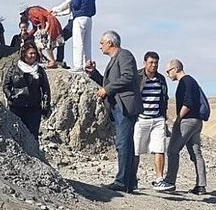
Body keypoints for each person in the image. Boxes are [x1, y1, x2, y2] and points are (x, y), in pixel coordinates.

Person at [85, 31, 142, 193]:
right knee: (126, 144)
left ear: (110, 43)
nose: (100, 45)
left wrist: (107, 89)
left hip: (124, 106)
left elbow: (128, 77)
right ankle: (129, 182)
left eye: (102, 42)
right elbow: (110, 82)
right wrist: (94, 74)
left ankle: (122, 182)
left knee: (123, 143)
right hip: (118, 106)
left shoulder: (124, 55)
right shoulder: (115, 59)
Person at [153, 60, 208, 194]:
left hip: (187, 121)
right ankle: (201, 185)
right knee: (196, 153)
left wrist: (178, 119)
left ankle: (170, 181)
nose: (167, 74)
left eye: (168, 71)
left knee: (172, 150)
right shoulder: (191, 81)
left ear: (176, 69)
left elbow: (188, 103)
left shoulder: (185, 82)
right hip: (197, 122)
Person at [132, 51, 169, 186]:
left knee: (159, 149)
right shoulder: (137, 77)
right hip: (141, 119)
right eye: (151, 63)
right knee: (136, 150)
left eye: (156, 63)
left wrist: (164, 116)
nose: (154, 65)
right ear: (145, 63)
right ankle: (132, 178)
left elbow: (164, 97)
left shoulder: (161, 79)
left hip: (158, 119)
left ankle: (159, 179)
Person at [3, 41, 51, 140]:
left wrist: (46, 105)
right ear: (24, 54)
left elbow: (45, 89)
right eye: (31, 53)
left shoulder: (39, 70)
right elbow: (6, 85)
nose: (33, 56)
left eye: (34, 53)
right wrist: (10, 96)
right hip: (16, 108)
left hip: (33, 109)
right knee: (16, 136)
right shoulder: (14, 69)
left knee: (32, 137)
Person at [67, 0, 96, 73]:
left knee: (78, 42)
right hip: (89, 18)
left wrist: (73, 8)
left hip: (79, 18)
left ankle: (78, 66)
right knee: (87, 43)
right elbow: (94, 11)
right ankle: (87, 64)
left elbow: (75, 4)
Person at [50, 0, 76, 65]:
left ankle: (59, 59)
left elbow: (65, 4)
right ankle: (59, 58)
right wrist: (57, 14)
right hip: (72, 20)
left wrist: (54, 9)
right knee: (61, 38)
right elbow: (68, 10)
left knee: (61, 38)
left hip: (74, 21)